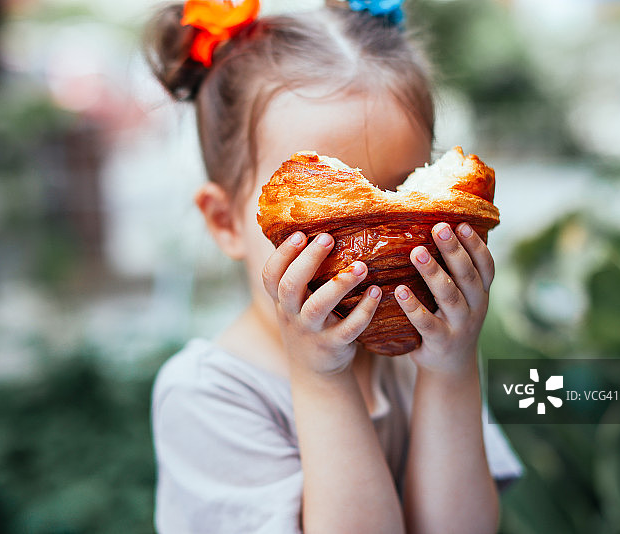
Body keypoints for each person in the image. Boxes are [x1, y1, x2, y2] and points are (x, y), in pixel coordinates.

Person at [146, 1, 522, 532]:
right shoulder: (207, 395)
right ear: (225, 220)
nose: (370, 245)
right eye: (327, 207)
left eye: (398, 195)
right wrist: (322, 380)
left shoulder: (426, 350)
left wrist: (448, 373)